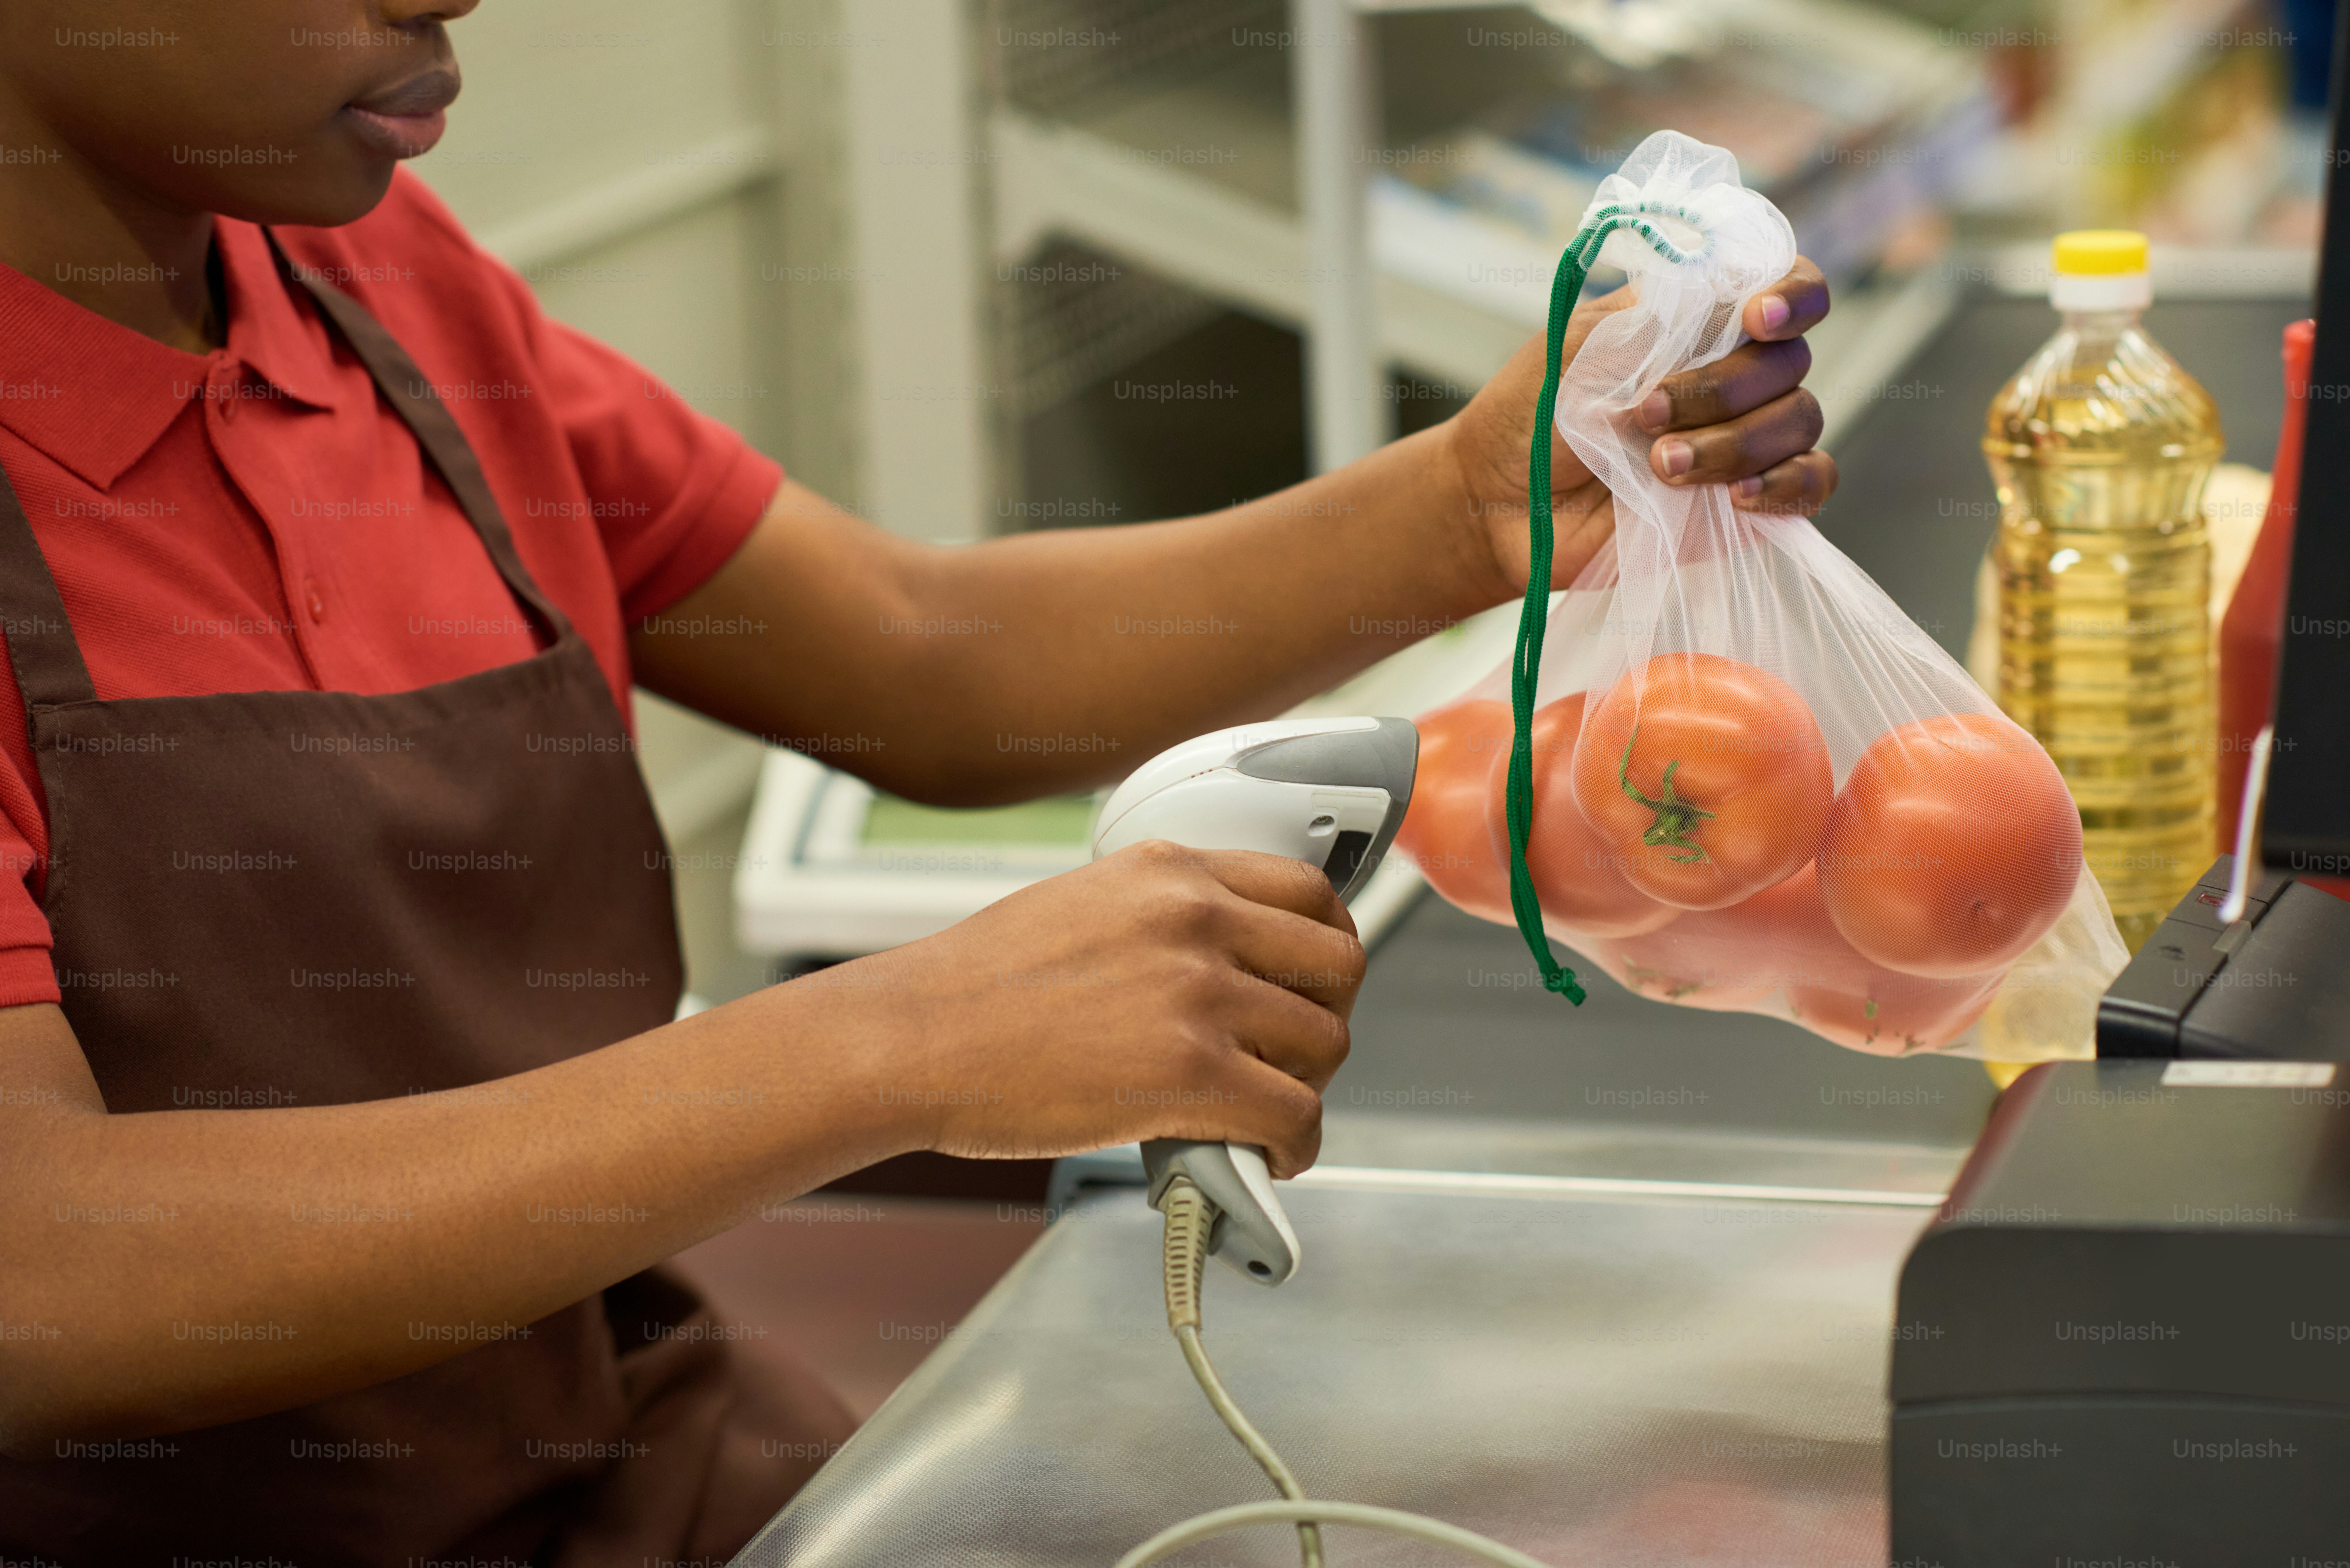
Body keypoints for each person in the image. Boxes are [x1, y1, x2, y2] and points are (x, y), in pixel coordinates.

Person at [0, 2, 1839, 1561]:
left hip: (623, 1471)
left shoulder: (365, 282)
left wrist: (1461, 504)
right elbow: (43, 1278)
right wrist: (902, 1047)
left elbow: (917, 657)